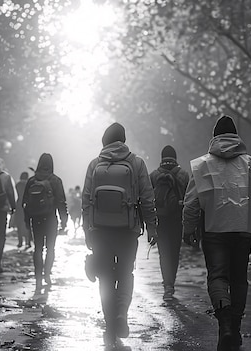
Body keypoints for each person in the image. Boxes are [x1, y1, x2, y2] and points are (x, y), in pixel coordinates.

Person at [182, 115, 251, 351]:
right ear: (236, 136)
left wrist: (188, 229)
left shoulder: (202, 165)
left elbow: (191, 202)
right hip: (243, 230)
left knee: (218, 276)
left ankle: (225, 325)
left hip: (213, 229)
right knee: (239, 278)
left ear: (214, 138)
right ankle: (236, 327)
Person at [82, 122, 157, 348]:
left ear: (104, 141)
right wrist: (152, 226)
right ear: (123, 140)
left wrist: (87, 230)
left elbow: (86, 200)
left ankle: (109, 325)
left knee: (105, 276)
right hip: (128, 230)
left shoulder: (95, 164)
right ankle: (121, 314)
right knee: (125, 273)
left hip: (101, 230)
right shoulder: (136, 163)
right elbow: (147, 197)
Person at [149, 145, 189, 301]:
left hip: (160, 219)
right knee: (174, 253)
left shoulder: (153, 175)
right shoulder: (184, 175)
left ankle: (167, 285)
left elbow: (147, 200)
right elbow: (190, 199)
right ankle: (171, 283)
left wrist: (148, 223)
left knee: (163, 253)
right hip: (177, 219)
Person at [23, 154, 68, 290]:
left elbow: (24, 202)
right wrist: (64, 220)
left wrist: (26, 220)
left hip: (35, 218)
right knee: (50, 249)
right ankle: (47, 275)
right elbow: (61, 201)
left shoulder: (31, 181)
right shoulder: (55, 180)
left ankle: (38, 279)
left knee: (37, 248)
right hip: (50, 219)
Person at [14, 172, 31, 248]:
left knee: (19, 225)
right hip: (27, 206)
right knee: (27, 225)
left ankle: (20, 242)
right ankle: (28, 242)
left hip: (18, 207)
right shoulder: (29, 185)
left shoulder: (17, 185)